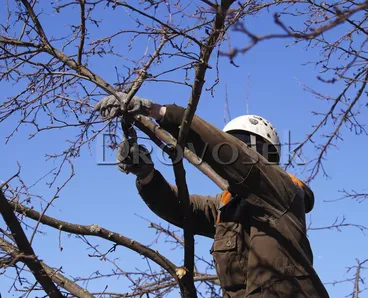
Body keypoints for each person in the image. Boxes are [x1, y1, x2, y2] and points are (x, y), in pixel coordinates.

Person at [95, 93, 330, 298]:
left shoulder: (284, 192)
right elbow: (182, 207)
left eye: (240, 146)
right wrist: (146, 174)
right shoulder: (226, 207)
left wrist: (158, 112)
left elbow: (238, 161)